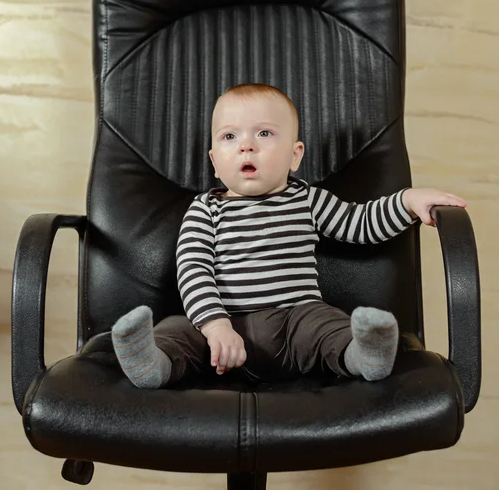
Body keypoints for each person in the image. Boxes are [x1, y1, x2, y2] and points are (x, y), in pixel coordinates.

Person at [111, 83, 467, 389]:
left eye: (264, 133)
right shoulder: (205, 209)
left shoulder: (306, 200)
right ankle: (152, 363)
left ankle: (365, 354)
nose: (246, 146)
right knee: (178, 330)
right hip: (223, 332)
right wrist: (215, 325)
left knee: (329, 324)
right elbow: (192, 270)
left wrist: (407, 201)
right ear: (215, 161)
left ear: (295, 155)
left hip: (296, 321)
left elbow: (360, 224)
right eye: (229, 136)